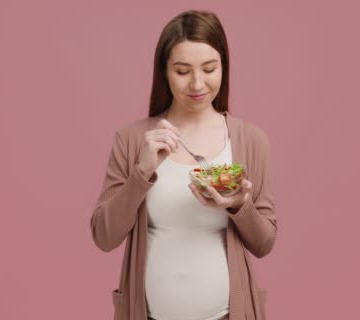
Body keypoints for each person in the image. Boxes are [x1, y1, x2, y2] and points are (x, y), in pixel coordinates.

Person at [90, 9, 277, 320]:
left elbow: (264, 244)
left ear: (224, 68)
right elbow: (104, 237)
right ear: (164, 71)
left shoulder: (251, 141)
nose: (197, 83)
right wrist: (142, 172)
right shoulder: (134, 139)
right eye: (182, 70)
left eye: (209, 68)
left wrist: (240, 204)